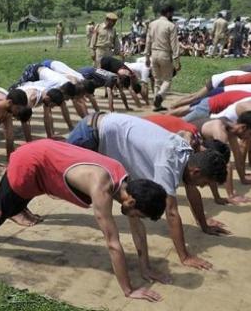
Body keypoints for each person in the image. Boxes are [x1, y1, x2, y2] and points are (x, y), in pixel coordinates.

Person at [0, 139, 168, 302]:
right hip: (29, 164)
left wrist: (145, 267)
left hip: (44, 159)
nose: (137, 220)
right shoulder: (102, 187)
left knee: (15, 203)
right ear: (131, 203)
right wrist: (128, 290)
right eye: (140, 215)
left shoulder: (126, 180)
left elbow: (137, 229)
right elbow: (112, 243)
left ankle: (15, 209)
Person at [67, 112, 229, 270]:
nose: (202, 187)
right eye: (205, 183)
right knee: (59, 179)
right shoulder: (168, 163)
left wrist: (204, 225)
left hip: (101, 128)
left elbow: (192, 191)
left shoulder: (187, 155)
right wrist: (185, 256)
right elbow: (171, 212)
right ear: (196, 172)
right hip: (90, 135)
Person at [145, 5, 181, 111]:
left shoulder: (152, 24)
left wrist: (147, 56)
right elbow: (174, 44)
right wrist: (176, 60)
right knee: (167, 80)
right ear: (169, 13)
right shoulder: (171, 25)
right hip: (165, 54)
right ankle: (160, 95)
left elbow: (148, 40)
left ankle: (157, 105)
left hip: (153, 54)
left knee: (157, 80)